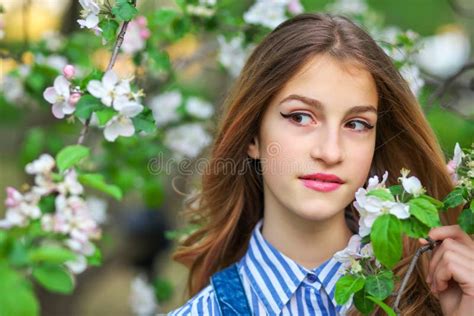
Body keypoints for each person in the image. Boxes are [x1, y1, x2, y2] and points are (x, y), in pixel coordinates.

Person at [168, 12, 474, 315]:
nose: (330, 152)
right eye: (300, 117)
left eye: (356, 124)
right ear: (253, 137)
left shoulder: (436, 297)